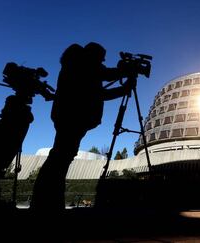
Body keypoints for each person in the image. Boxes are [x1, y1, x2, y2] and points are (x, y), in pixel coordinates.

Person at [30, 42, 132, 211]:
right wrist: (124, 79)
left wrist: (122, 82)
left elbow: (100, 86)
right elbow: (101, 86)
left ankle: (47, 204)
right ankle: (46, 206)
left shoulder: (77, 66)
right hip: (73, 117)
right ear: (93, 56)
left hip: (69, 117)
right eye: (101, 59)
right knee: (60, 159)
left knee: (61, 158)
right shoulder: (82, 66)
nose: (103, 62)